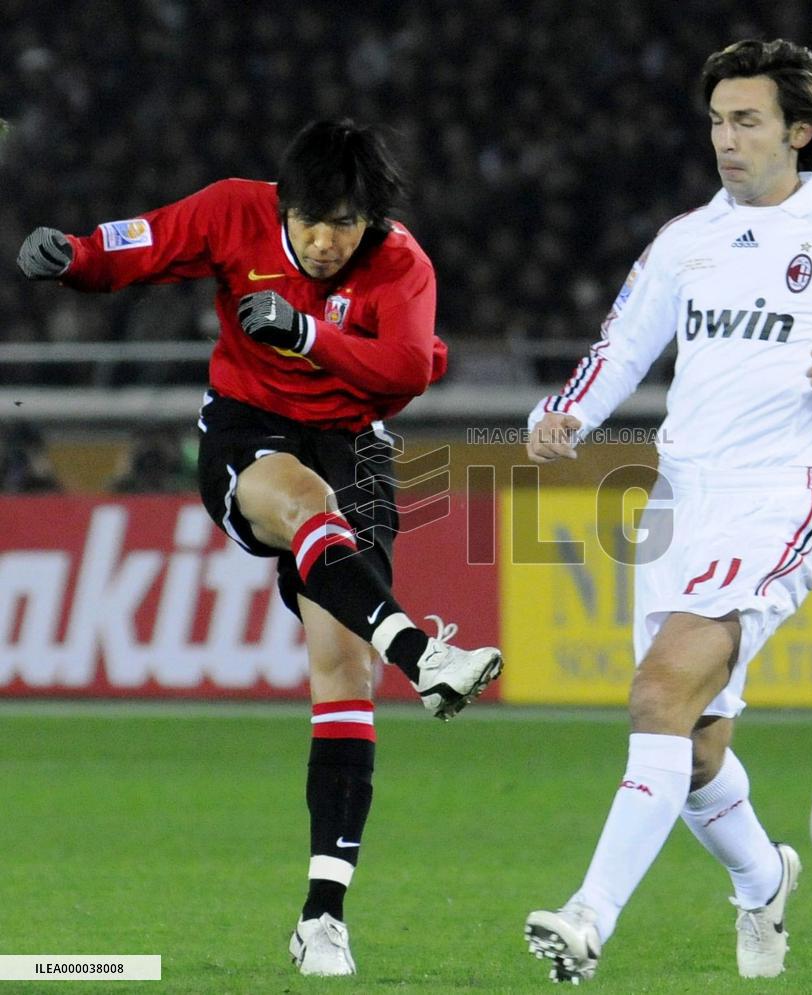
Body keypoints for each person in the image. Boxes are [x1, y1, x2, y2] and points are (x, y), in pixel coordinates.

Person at [523, 38, 812, 984]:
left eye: (747, 120)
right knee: (694, 746)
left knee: (658, 691)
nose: (726, 139)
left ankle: (588, 915)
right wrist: (564, 413)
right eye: (718, 121)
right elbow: (621, 345)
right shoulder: (686, 239)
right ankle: (765, 881)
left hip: (777, 495)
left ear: (798, 131)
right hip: (677, 501)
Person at [16, 118, 503, 978]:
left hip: (353, 443)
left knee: (344, 670)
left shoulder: (401, 263)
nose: (324, 241)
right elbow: (145, 243)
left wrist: (307, 334)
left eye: (344, 224)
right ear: (284, 204)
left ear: (372, 219)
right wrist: (76, 255)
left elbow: (406, 371)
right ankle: (423, 652)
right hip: (251, 431)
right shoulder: (233, 212)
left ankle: (323, 918)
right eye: (311, 220)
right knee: (307, 505)